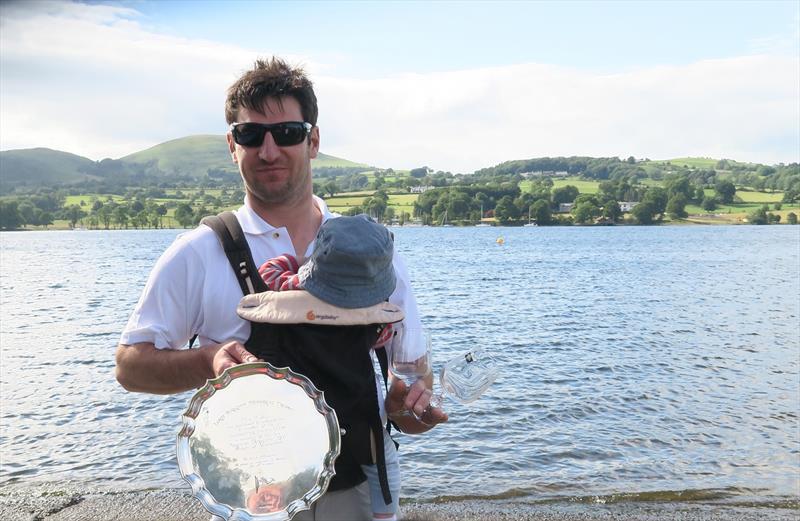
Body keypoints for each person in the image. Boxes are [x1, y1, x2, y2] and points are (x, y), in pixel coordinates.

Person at [115, 57, 448, 521]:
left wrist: (407, 404)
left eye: (287, 133)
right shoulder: (197, 253)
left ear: (313, 141)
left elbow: (412, 380)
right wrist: (206, 360)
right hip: (250, 497)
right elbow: (130, 368)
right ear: (232, 145)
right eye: (251, 135)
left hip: (358, 490)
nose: (269, 150)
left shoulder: (371, 252)